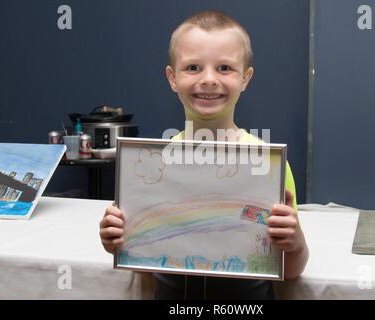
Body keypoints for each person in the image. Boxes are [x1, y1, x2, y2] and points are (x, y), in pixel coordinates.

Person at [99, 10, 309, 299]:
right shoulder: (154, 164)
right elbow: (144, 264)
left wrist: (295, 242)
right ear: (172, 78)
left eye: (224, 68)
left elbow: (291, 271)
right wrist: (121, 239)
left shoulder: (268, 163)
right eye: (193, 67)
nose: (209, 79)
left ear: (245, 78)